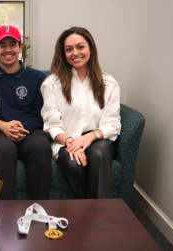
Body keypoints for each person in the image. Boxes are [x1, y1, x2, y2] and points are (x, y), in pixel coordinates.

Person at [41, 27, 121, 199]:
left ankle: (95, 216)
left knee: (99, 155)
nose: (75, 53)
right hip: (66, 139)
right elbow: (51, 124)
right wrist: (70, 142)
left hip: (98, 139)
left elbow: (112, 123)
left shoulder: (109, 83)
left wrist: (90, 137)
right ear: (63, 54)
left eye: (80, 47)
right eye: (68, 49)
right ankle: (94, 214)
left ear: (90, 48)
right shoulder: (52, 84)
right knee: (73, 164)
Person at [0, 25, 52, 200]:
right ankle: (6, 214)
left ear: (21, 47)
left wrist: (21, 127)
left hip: (29, 129)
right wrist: (2, 125)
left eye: (13, 44)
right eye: (2, 45)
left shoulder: (37, 77)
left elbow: (39, 114)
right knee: (4, 149)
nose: (8, 49)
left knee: (40, 147)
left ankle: (39, 207)